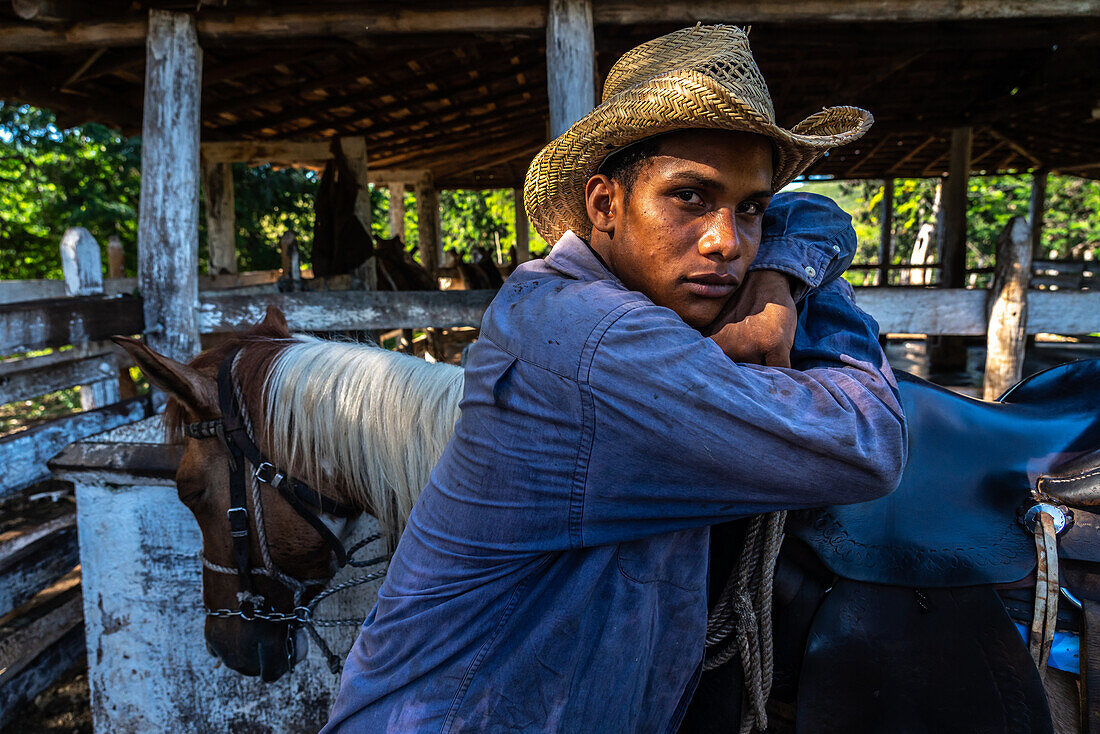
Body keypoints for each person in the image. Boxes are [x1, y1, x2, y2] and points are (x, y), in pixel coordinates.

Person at [323, 24, 906, 733]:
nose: (727, 241)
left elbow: (811, 211)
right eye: (690, 197)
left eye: (749, 209)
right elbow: (866, 442)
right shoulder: (594, 338)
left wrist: (781, 277)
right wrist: (822, 299)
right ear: (604, 205)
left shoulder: (588, 302)